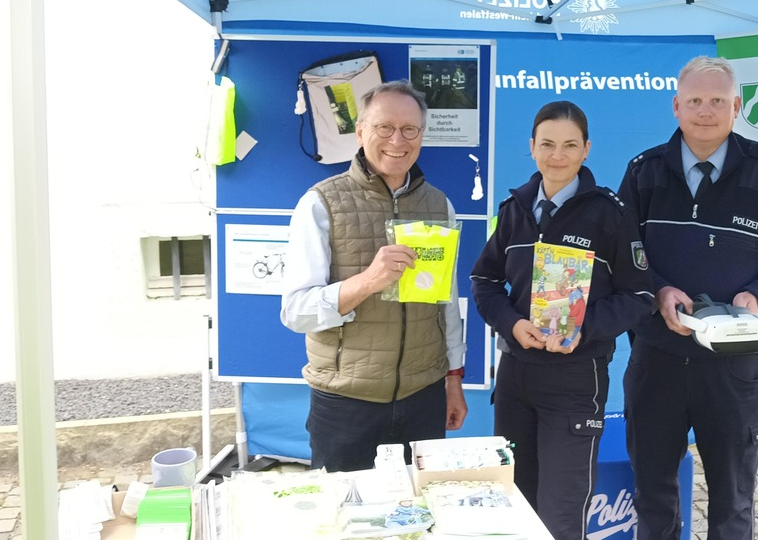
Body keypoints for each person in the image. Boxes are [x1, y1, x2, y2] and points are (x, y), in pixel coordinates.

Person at [618, 55, 758, 540]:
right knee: (653, 494)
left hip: (737, 364)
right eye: (694, 100)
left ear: (737, 107)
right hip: (658, 360)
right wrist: (658, 289)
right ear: (676, 107)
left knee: (733, 501)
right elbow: (623, 254)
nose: (705, 111)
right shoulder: (643, 171)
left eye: (717, 101)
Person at [471, 100, 654, 540]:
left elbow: (641, 295)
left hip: (576, 380)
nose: (558, 155)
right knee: (514, 504)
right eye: (548, 144)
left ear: (587, 149)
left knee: (560, 514)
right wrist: (511, 324)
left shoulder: (610, 213)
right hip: (516, 378)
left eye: (570, 145)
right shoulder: (513, 209)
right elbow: (484, 279)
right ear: (531, 147)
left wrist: (582, 329)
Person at [280, 80, 468, 472]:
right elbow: (296, 312)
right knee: (344, 520)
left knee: (419, 516)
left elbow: (446, 304)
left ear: (421, 135)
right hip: (347, 403)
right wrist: (367, 281)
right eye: (384, 128)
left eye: (410, 130)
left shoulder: (440, 206)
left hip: (424, 396)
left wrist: (453, 380)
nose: (397, 140)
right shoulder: (320, 203)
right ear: (361, 131)